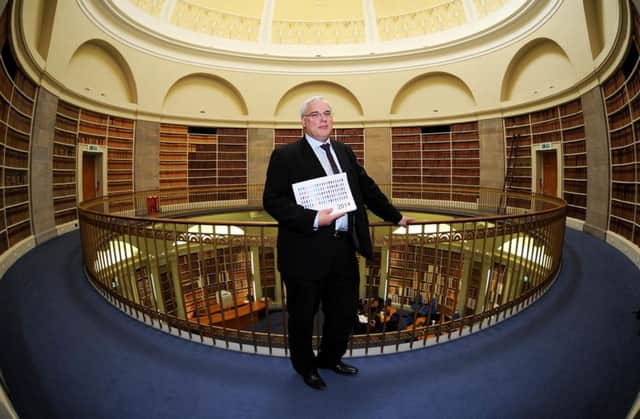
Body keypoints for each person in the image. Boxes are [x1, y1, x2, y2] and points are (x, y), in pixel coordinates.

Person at [263, 96, 412, 390]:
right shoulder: (285, 155)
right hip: (305, 250)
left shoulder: (344, 151)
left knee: (343, 313)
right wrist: (313, 218)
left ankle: (331, 359)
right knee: (303, 316)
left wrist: (396, 217)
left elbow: (367, 188)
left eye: (327, 113)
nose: (323, 119)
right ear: (303, 122)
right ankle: (306, 368)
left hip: (343, 248)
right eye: (315, 114)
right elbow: (272, 200)